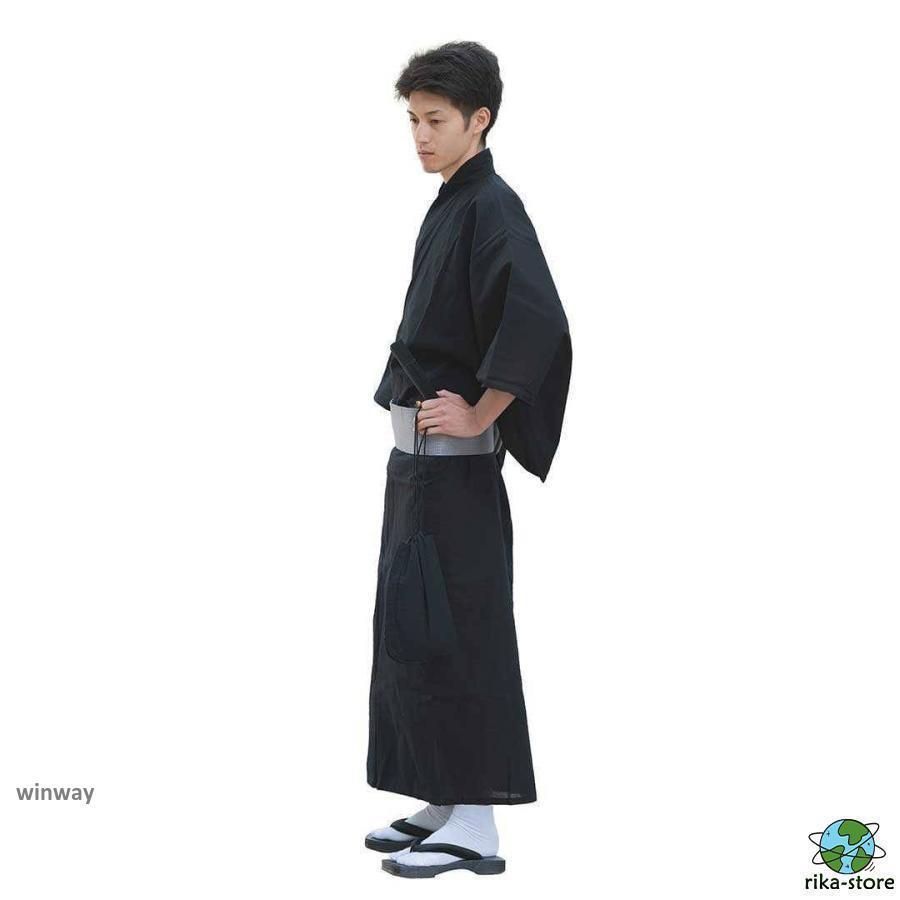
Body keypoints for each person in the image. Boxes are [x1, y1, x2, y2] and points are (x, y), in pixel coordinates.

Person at [365, 40, 572, 879]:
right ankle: (444, 796)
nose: (420, 135)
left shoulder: (493, 206)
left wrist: (483, 409)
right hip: (419, 469)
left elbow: (539, 321)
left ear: (479, 120)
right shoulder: (452, 200)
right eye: (413, 120)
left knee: (462, 628)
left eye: (437, 120)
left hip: (456, 472)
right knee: (415, 628)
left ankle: (479, 820)